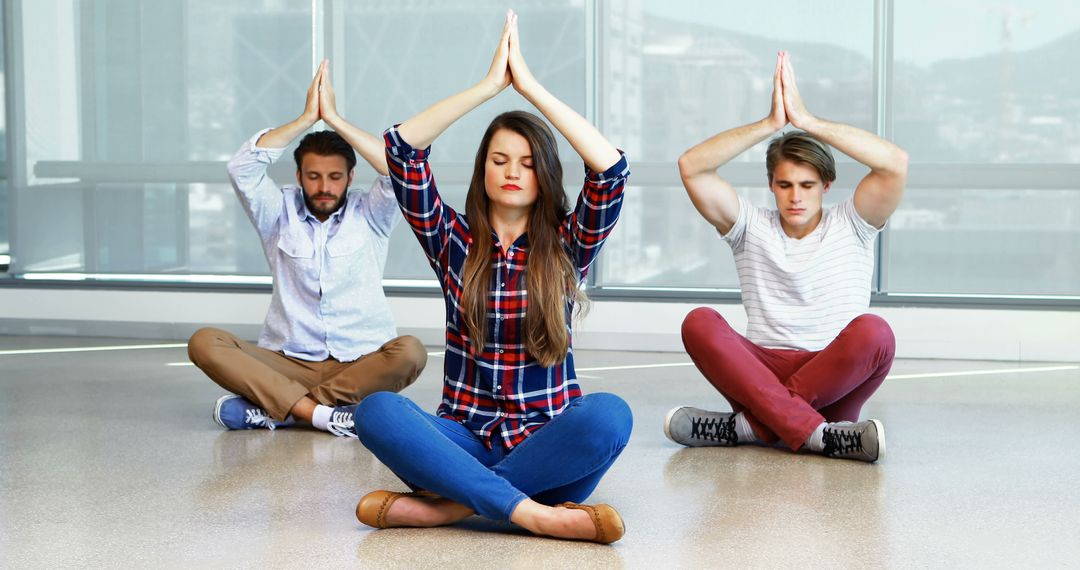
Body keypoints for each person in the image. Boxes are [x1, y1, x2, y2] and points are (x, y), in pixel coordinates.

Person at [351, 12, 632, 544]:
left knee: (609, 416)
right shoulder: (452, 240)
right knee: (377, 411)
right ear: (483, 170)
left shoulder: (569, 244)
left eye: (527, 162)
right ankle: (532, 515)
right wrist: (487, 88)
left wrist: (530, 88)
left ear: (543, 173)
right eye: (499, 159)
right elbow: (403, 153)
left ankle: (449, 508)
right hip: (460, 444)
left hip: (547, 450)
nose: (511, 171)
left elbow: (611, 171)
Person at [665, 51, 908, 463]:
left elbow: (894, 164)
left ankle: (748, 428)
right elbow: (692, 167)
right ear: (771, 185)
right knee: (699, 322)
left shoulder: (853, 224)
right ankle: (819, 436)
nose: (796, 197)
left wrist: (807, 121)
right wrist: (770, 125)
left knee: (876, 332)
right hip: (761, 373)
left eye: (807, 185)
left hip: (834, 378)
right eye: (785, 184)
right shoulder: (749, 226)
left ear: (826, 185)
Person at [188, 61, 427, 437]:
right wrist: (305, 119)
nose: (324, 187)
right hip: (288, 361)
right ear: (298, 176)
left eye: (334, 177)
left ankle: (284, 411)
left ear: (351, 177)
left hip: (360, 361)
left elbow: (399, 169)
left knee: (411, 352)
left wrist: (334, 119)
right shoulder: (276, 212)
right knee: (204, 342)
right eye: (313, 176)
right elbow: (241, 168)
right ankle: (325, 414)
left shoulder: (372, 213)